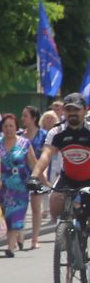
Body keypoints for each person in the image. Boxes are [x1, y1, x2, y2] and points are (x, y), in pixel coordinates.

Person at [35, 94, 90, 231]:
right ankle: (64, 233)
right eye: (69, 110)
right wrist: (34, 176)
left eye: (76, 110)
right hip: (68, 178)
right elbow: (46, 155)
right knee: (54, 201)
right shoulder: (57, 132)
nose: (72, 113)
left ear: (85, 110)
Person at [0, 112, 33, 254]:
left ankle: (10, 247)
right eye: (6, 126)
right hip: (2, 186)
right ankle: (18, 235)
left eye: (11, 126)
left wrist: (42, 181)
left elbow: (33, 162)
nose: (8, 129)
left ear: (16, 127)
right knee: (5, 216)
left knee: (15, 215)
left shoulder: (24, 143)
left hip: (20, 186)